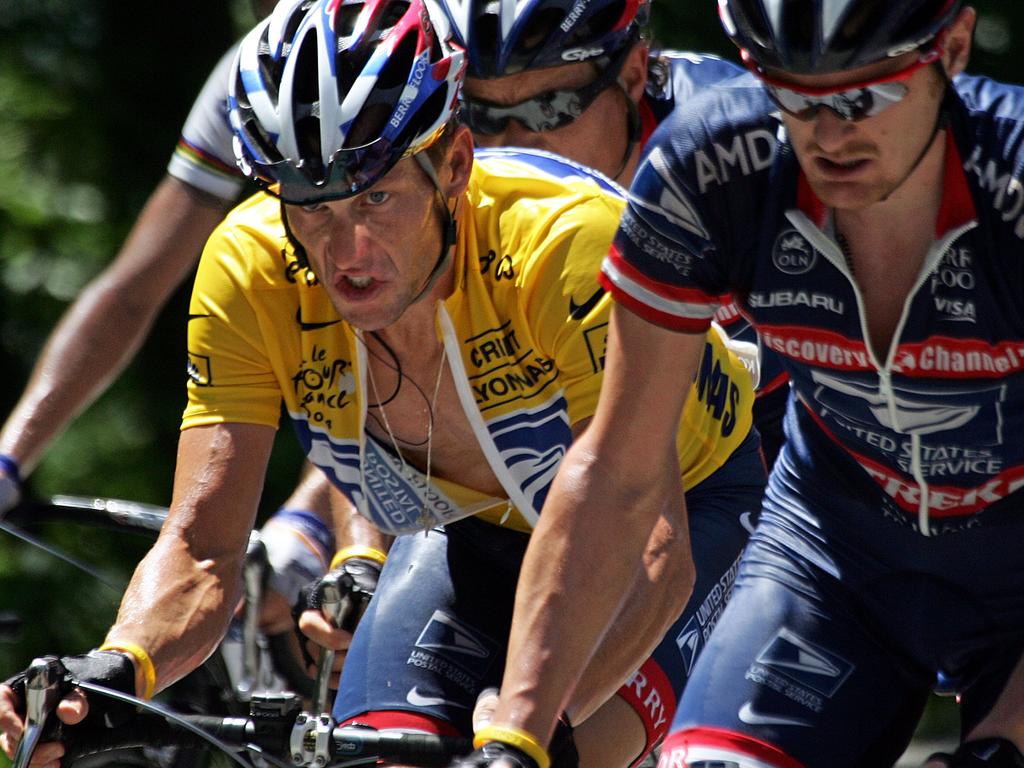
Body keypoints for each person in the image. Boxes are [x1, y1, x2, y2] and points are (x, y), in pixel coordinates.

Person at [0, 1, 764, 767]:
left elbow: (650, 537)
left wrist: (527, 734)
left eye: (377, 198)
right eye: (312, 207)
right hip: (471, 529)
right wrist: (115, 670)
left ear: (455, 166)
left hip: (678, 516)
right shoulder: (249, 273)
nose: (347, 250)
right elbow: (202, 550)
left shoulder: (568, 245)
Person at [460, 1, 1024, 767]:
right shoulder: (712, 167)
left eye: (863, 97)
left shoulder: (1015, 174)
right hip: (836, 554)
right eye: (791, 93)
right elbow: (618, 472)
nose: (826, 134)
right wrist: (518, 734)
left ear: (953, 48)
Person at [0, 2, 371, 642]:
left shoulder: (418, 62)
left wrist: (311, 517)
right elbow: (130, 291)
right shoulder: (255, 75)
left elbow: (398, 323)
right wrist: (9, 458)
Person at [439, 0, 790, 467]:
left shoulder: (732, 148)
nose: (514, 147)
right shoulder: (451, 174)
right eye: (481, 116)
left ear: (632, 74)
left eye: (551, 109)